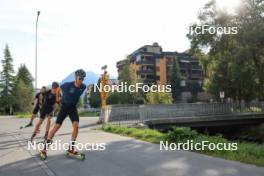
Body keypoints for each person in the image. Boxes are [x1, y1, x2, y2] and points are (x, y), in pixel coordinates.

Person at [41, 69, 86, 158]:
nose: (81, 80)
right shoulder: (67, 85)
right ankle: (44, 149)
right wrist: (57, 98)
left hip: (73, 108)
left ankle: (71, 149)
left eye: (83, 78)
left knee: (76, 126)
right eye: (80, 78)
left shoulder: (83, 87)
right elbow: (58, 89)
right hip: (64, 107)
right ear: (76, 77)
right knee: (56, 127)